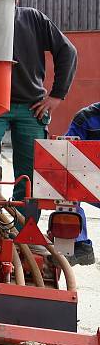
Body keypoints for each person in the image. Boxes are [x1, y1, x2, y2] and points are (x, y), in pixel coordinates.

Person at [0, 0, 78, 221]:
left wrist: (57, 96)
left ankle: (23, 230)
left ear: (15, 1)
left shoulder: (33, 18)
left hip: (31, 107)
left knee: (29, 176)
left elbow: (67, 51)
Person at [65, 102, 100, 265]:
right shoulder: (85, 118)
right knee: (65, 182)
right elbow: (65, 153)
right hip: (93, 185)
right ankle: (80, 245)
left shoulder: (85, 117)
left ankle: (80, 245)